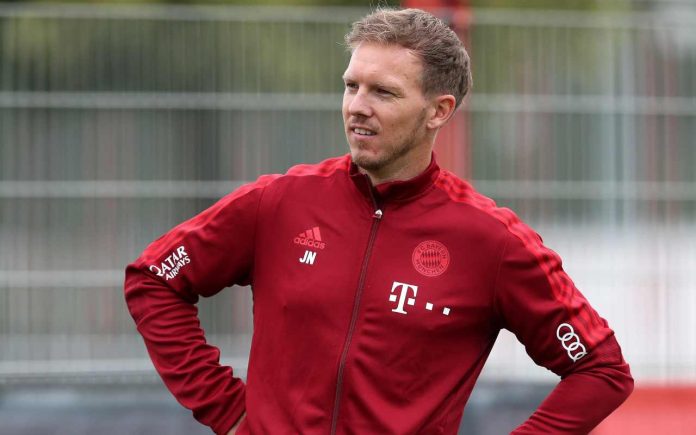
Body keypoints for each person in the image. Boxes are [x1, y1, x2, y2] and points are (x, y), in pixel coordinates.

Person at [124, 8, 633, 435]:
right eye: (351, 86)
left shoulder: (491, 240)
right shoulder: (278, 202)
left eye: (383, 93)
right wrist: (228, 410)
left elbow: (601, 369)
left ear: (439, 111)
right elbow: (154, 279)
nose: (357, 107)